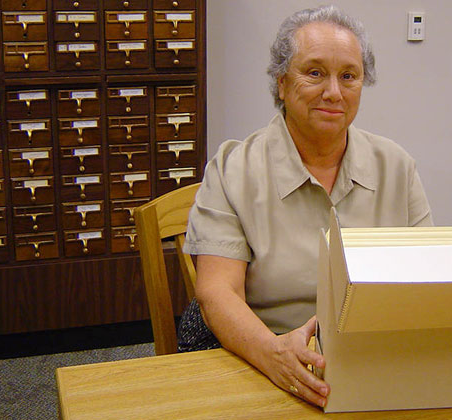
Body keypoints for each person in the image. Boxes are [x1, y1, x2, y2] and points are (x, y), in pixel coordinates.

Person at [180, 5, 433, 408]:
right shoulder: (233, 170)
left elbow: (426, 279)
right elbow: (216, 291)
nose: (334, 91)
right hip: (259, 359)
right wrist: (274, 354)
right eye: (314, 73)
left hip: (371, 362)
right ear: (281, 83)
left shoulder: (397, 167)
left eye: (348, 76)